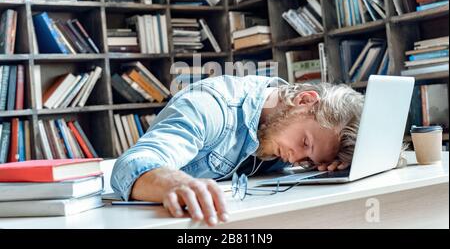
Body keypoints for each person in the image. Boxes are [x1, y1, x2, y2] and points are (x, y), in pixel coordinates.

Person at [111, 75, 364, 226]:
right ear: (304, 101)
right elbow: (130, 165)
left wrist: (335, 164)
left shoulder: (283, 119)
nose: (295, 158)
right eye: (305, 144)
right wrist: (174, 183)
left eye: (308, 160)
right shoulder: (210, 107)